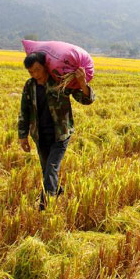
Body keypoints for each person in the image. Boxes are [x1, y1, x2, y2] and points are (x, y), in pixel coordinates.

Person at [18, 52, 95, 210]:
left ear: (45, 67)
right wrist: (22, 136)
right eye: (31, 72)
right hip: (39, 135)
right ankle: (57, 190)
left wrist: (82, 82)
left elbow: (86, 100)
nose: (35, 74)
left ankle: (45, 207)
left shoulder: (60, 81)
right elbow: (24, 110)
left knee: (51, 169)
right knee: (47, 170)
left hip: (60, 134)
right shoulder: (30, 85)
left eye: (37, 70)